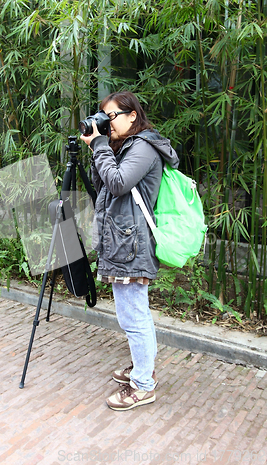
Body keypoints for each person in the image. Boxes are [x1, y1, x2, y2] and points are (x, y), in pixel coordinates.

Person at [80, 91, 179, 411]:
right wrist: (100, 149)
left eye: (110, 118)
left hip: (131, 244)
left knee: (133, 317)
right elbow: (105, 187)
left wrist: (99, 146)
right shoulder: (125, 147)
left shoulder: (144, 147)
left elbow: (120, 182)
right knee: (133, 315)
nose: (105, 124)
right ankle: (142, 367)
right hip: (122, 240)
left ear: (132, 115)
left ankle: (144, 385)